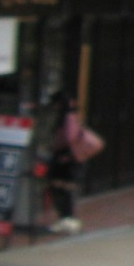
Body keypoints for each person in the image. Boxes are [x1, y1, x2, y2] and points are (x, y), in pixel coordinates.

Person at [46, 92, 88, 234]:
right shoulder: (73, 116)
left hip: (66, 159)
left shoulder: (67, 118)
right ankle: (68, 220)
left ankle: (68, 220)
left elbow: (70, 139)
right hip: (71, 158)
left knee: (61, 188)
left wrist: (63, 154)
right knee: (64, 188)